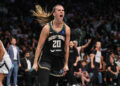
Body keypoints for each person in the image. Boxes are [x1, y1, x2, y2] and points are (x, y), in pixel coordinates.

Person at [32, 4, 70, 86]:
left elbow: (66, 48)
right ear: (54, 13)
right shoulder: (47, 28)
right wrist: (35, 62)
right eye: (59, 10)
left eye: (63, 10)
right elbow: (39, 46)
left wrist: (66, 64)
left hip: (58, 61)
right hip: (46, 59)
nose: (61, 11)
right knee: (44, 83)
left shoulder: (67, 29)